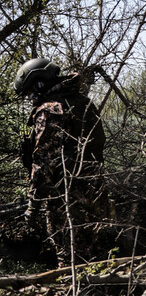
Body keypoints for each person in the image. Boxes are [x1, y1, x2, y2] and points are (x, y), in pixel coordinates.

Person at [14, 57, 109, 265]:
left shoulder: (50, 110)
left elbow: (45, 164)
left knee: (71, 260)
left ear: (40, 84)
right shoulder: (82, 102)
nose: (31, 98)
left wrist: (33, 205)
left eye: (31, 92)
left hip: (67, 200)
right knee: (97, 258)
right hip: (96, 192)